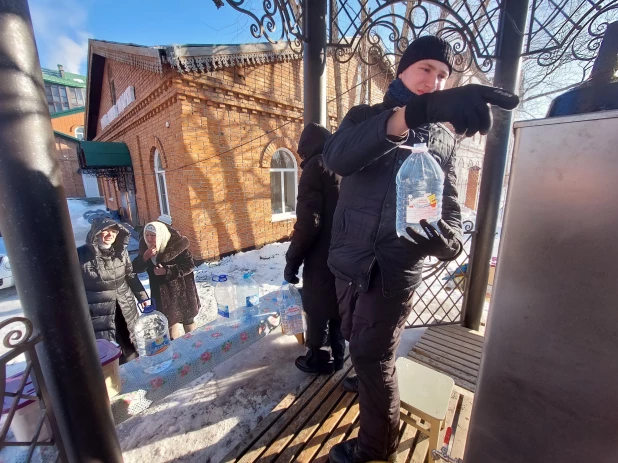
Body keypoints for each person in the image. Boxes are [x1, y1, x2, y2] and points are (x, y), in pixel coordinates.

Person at [323, 36, 519, 462]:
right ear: (402, 71)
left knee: (374, 360)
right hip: (347, 261)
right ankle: (368, 376)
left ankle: (375, 447)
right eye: (425, 69)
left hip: (391, 275)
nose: (434, 80)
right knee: (361, 344)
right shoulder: (364, 117)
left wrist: (428, 232)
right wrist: (416, 114)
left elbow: (450, 234)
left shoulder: (443, 145)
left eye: (443, 76)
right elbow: (338, 159)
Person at [284, 123, 345, 375]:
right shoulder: (342, 165)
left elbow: (309, 223)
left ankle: (317, 359)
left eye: (301, 153)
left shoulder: (314, 168)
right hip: (344, 252)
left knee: (317, 306)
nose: (301, 158)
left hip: (321, 255)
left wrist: (292, 260)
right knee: (337, 304)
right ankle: (339, 356)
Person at [78, 217, 149, 363]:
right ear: (96, 233)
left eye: (114, 232)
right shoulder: (80, 255)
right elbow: (72, 287)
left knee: (130, 342)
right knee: (108, 349)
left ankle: (133, 373)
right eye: (105, 231)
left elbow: (130, 275)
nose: (110, 235)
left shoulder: (120, 252)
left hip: (124, 305)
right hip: (99, 311)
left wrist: (143, 297)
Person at [133, 221, 200, 339]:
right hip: (162, 294)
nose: (149, 239)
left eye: (153, 235)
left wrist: (167, 271)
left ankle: (194, 346)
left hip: (182, 292)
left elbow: (189, 265)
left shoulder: (177, 245)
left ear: (160, 235)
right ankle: (176, 350)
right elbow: (136, 268)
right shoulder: (145, 247)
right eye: (147, 235)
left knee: (188, 321)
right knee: (170, 322)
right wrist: (144, 257)